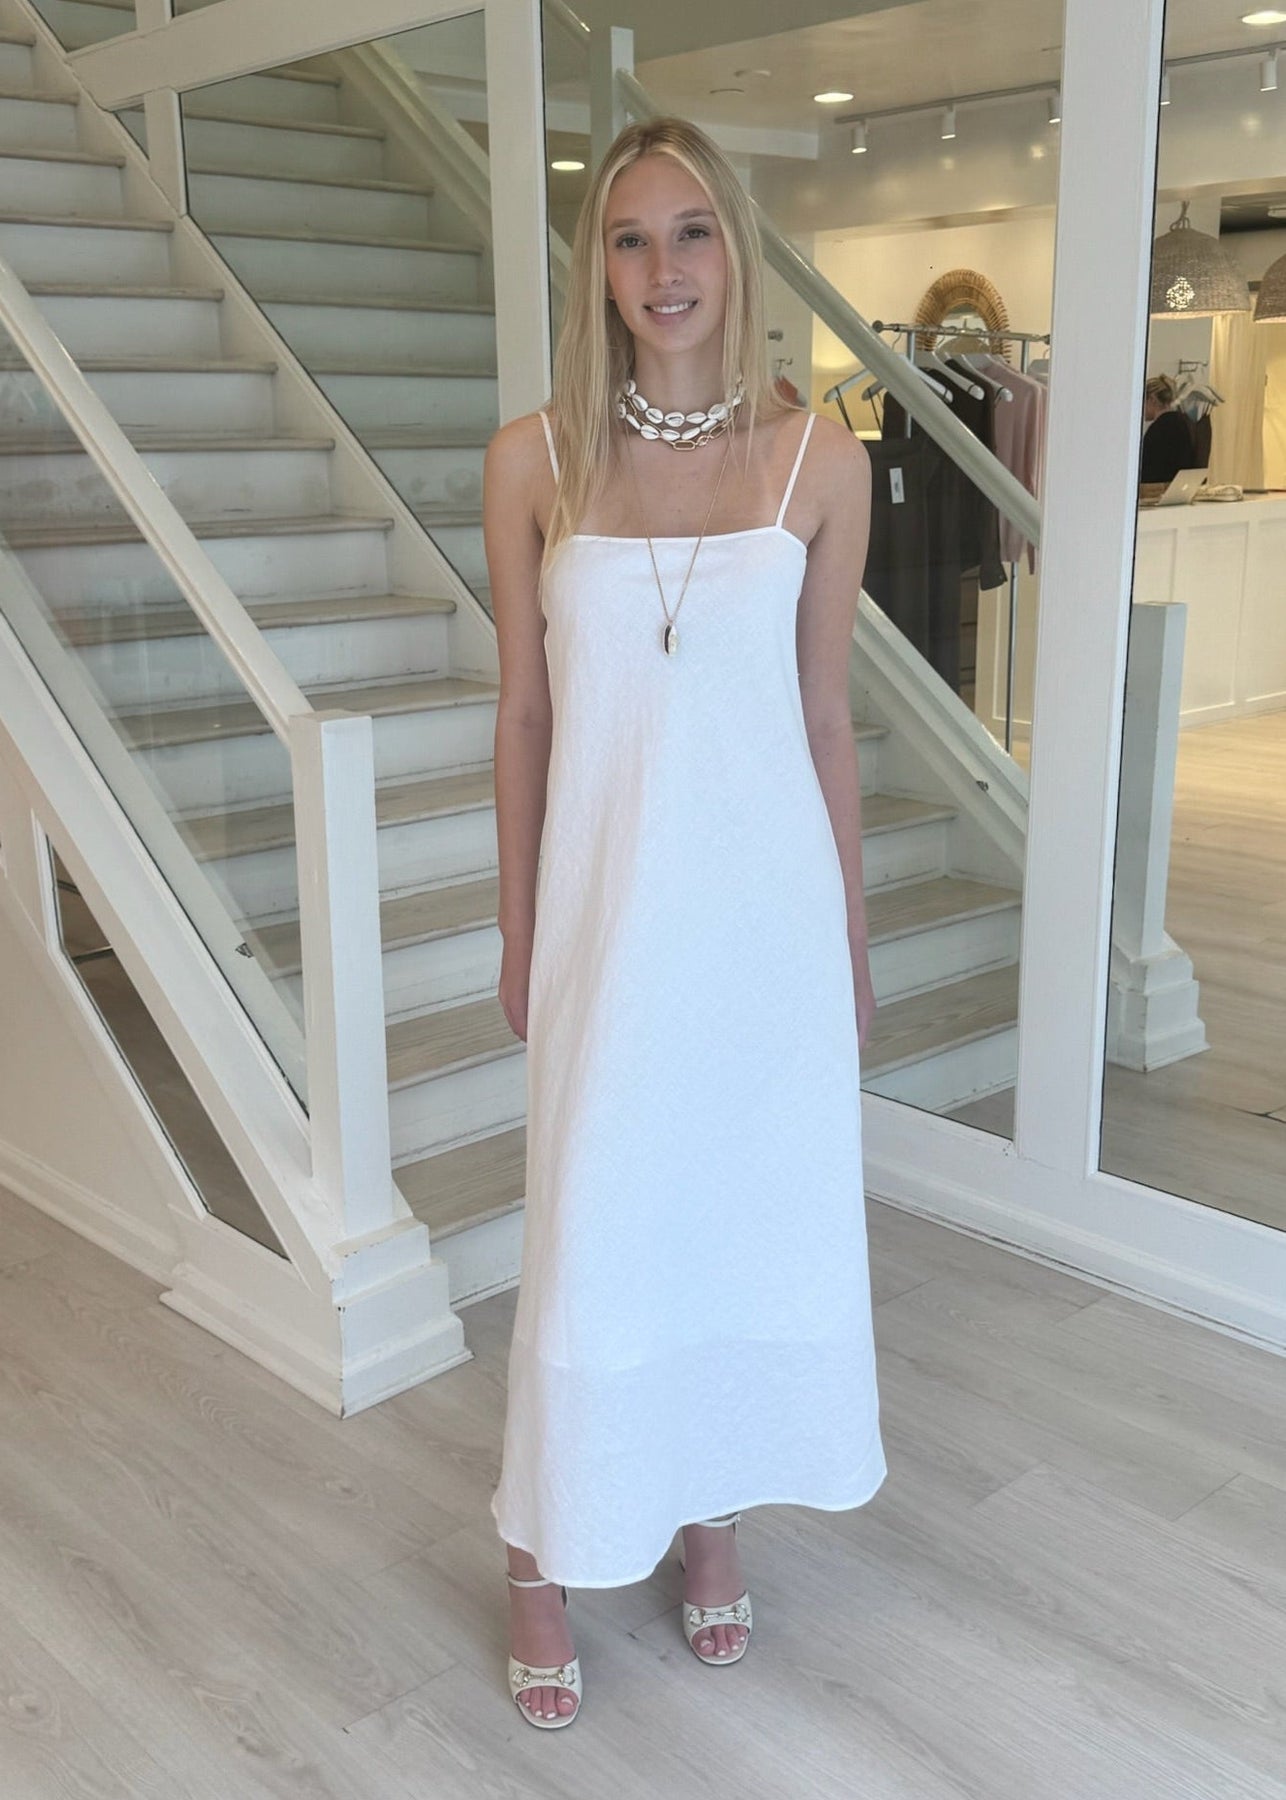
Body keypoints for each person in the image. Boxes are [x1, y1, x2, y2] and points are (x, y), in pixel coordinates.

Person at [482, 114, 887, 1731]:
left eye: (694, 231)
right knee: (588, 1237)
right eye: (631, 237)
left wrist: (847, 942)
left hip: (763, 932)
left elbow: (826, 721)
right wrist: (519, 924)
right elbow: (524, 715)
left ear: (738, 252)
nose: (665, 269)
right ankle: (536, 1555)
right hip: (604, 923)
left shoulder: (818, 463)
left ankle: (708, 1512)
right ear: (599, 269)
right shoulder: (533, 462)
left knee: (726, 1219)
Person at [1140, 373, 1198, 485]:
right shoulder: (1182, 423)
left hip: (1157, 489)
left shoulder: (1158, 430)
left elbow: (1148, 470)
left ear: (1152, 399)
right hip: (1179, 486)